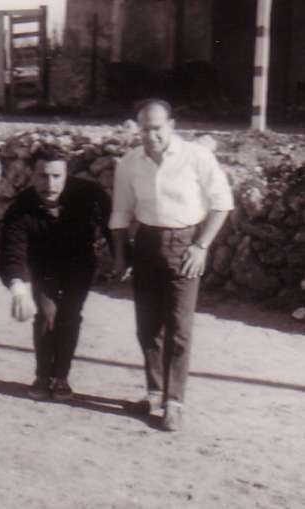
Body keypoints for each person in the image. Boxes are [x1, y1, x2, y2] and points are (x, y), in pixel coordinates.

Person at [110, 99, 233, 431]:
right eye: (144, 129)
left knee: (179, 327)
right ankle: (154, 395)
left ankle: (174, 402)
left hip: (185, 243)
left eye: (157, 128)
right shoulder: (130, 163)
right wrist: (122, 255)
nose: (151, 136)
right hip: (147, 242)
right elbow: (121, 213)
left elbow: (222, 204)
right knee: (147, 325)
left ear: (172, 125)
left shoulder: (197, 157)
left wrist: (201, 246)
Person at [0, 145, 111, 401]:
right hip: (43, 269)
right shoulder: (21, 206)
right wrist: (19, 289)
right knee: (47, 315)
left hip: (79, 265)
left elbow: (111, 227)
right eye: (42, 176)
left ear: (66, 174)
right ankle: (43, 375)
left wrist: (121, 258)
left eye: (56, 176)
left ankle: (61, 376)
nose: (49, 184)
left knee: (70, 316)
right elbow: (12, 252)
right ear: (31, 174)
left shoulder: (90, 194)